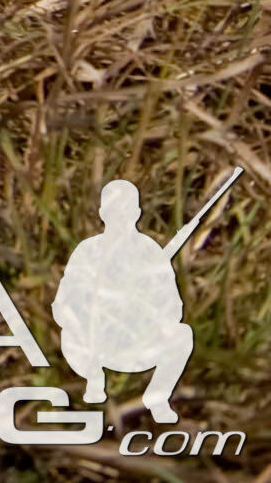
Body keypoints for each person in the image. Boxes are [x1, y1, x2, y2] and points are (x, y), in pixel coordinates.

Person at [55, 178, 196, 421]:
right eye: (113, 210)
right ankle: (93, 383)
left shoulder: (151, 253)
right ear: (102, 212)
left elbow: (175, 309)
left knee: (183, 335)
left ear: (137, 213)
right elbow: (61, 305)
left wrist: (145, 308)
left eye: (126, 210)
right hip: (94, 346)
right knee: (69, 330)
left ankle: (157, 398)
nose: (120, 217)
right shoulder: (87, 251)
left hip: (140, 344)